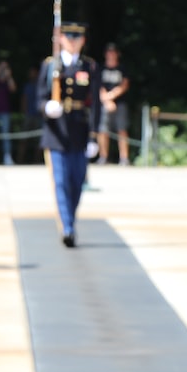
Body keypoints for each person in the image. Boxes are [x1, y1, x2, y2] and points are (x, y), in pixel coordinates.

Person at [37, 22, 100, 247]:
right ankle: (67, 227)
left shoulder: (89, 66)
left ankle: (70, 219)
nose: (73, 41)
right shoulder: (51, 65)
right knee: (61, 181)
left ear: (82, 40)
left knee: (77, 180)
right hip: (57, 133)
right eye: (68, 37)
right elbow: (39, 99)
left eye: (77, 37)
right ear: (61, 39)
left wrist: (94, 137)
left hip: (80, 131)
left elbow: (94, 105)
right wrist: (47, 108)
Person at [96, 42, 130, 165]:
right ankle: (103, 157)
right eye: (109, 52)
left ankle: (124, 158)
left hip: (120, 103)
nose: (111, 54)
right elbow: (98, 86)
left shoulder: (122, 68)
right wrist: (106, 100)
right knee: (102, 130)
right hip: (104, 102)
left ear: (117, 54)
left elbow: (124, 85)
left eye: (113, 52)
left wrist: (111, 96)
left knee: (122, 129)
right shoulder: (100, 68)